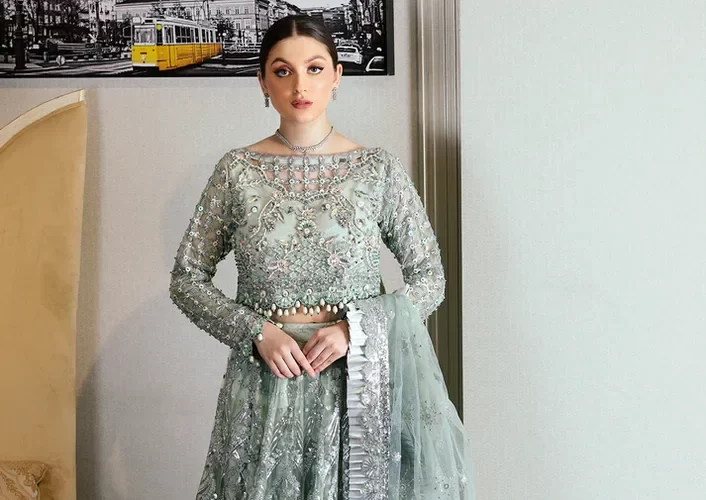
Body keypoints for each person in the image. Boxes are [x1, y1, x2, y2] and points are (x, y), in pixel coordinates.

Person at [169, 15, 475, 500]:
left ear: (337, 76)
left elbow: (429, 278)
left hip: (360, 379)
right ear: (262, 82)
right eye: (283, 71)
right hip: (267, 380)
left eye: (314, 68)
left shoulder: (376, 169)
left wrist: (356, 331)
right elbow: (186, 279)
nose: (300, 85)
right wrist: (256, 332)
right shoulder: (237, 172)